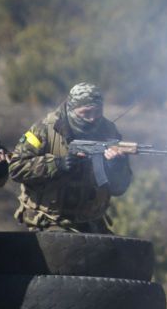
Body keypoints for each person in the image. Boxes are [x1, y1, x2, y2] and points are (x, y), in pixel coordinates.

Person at [8, 82, 132, 233]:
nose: (93, 119)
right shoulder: (44, 129)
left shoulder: (109, 132)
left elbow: (119, 188)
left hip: (92, 221)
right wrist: (56, 164)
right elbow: (16, 167)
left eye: (98, 112)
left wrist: (117, 167)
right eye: (86, 113)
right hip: (50, 220)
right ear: (71, 109)